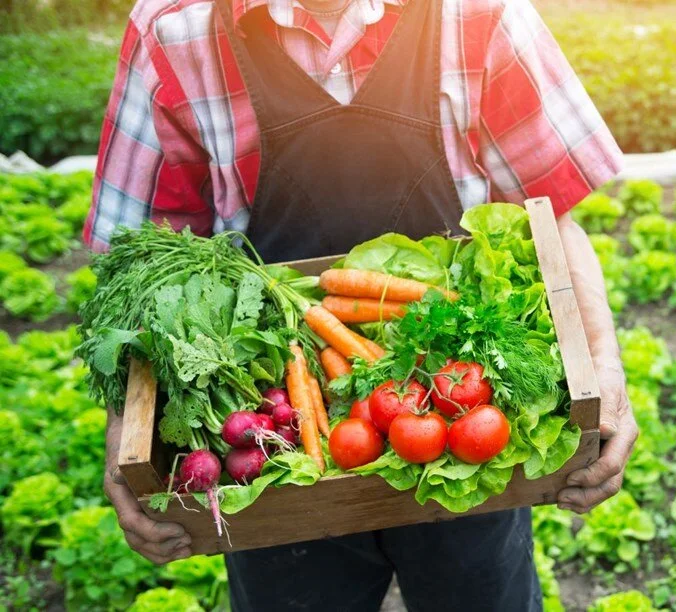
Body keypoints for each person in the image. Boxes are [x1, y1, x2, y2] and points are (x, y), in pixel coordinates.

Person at [86, 0, 636, 609]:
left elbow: (551, 217)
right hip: (279, 442)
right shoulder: (174, 30)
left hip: (463, 422)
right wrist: (126, 440)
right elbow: (138, 267)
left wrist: (605, 377)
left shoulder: (482, 14)